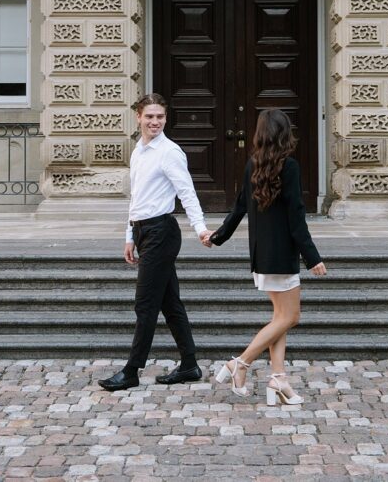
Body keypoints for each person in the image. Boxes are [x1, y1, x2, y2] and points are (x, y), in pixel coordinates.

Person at [204, 108, 326, 405]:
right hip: (282, 256)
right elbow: (297, 217)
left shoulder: (253, 165)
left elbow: (238, 209)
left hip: (261, 256)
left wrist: (218, 237)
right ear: (284, 134)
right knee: (291, 316)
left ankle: (278, 378)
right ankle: (240, 363)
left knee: (280, 318)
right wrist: (312, 258)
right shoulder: (290, 166)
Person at [98, 93, 214, 392]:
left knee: (145, 304)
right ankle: (189, 365)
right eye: (149, 116)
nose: (155, 122)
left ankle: (132, 370)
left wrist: (200, 228)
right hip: (143, 231)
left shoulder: (170, 152)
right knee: (170, 303)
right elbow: (137, 198)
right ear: (138, 116)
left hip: (162, 232)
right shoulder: (138, 151)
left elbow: (186, 192)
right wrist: (129, 236)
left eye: (160, 117)